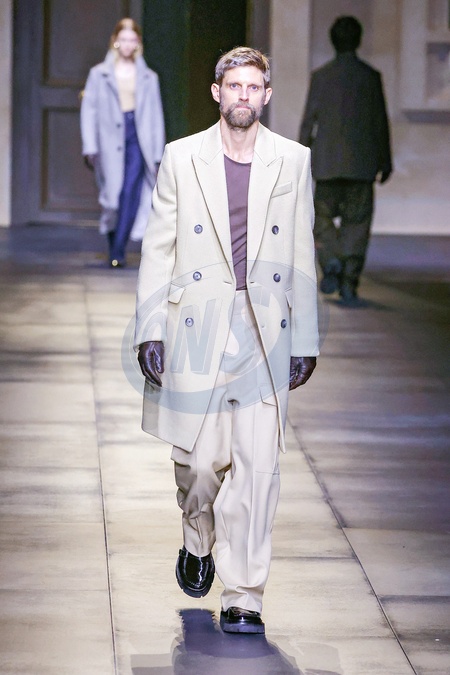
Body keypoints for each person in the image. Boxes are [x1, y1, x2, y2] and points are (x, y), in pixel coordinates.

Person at [135, 47, 319, 634]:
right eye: (234, 86)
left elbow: (302, 250)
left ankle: (244, 595)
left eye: (253, 87)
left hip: (263, 326)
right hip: (198, 322)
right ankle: (197, 536)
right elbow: (158, 247)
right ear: (217, 92)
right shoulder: (182, 157)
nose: (243, 95)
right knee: (198, 464)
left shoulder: (292, 160)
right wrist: (149, 328)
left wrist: (305, 337)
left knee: (257, 468)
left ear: (267, 95)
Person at [299, 15, 392, 304]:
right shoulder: (370, 77)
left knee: (322, 219)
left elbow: (308, 122)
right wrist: (385, 160)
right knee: (357, 223)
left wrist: (300, 157)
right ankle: (349, 281)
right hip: (361, 165)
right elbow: (380, 122)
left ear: (332, 41)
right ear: (359, 40)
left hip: (327, 164)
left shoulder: (321, 76)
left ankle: (330, 261)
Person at [80, 18, 165, 267]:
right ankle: (114, 244)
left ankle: (118, 250)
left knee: (131, 192)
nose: (128, 44)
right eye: (123, 39)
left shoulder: (148, 76)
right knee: (113, 196)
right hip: (109, 139)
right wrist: (90, 145)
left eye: (132, 39)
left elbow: (155, 115)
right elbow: (89, 110)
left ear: (138, 42)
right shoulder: (99, 74)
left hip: (138, 137)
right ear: (115, 41)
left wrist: (157, 153)